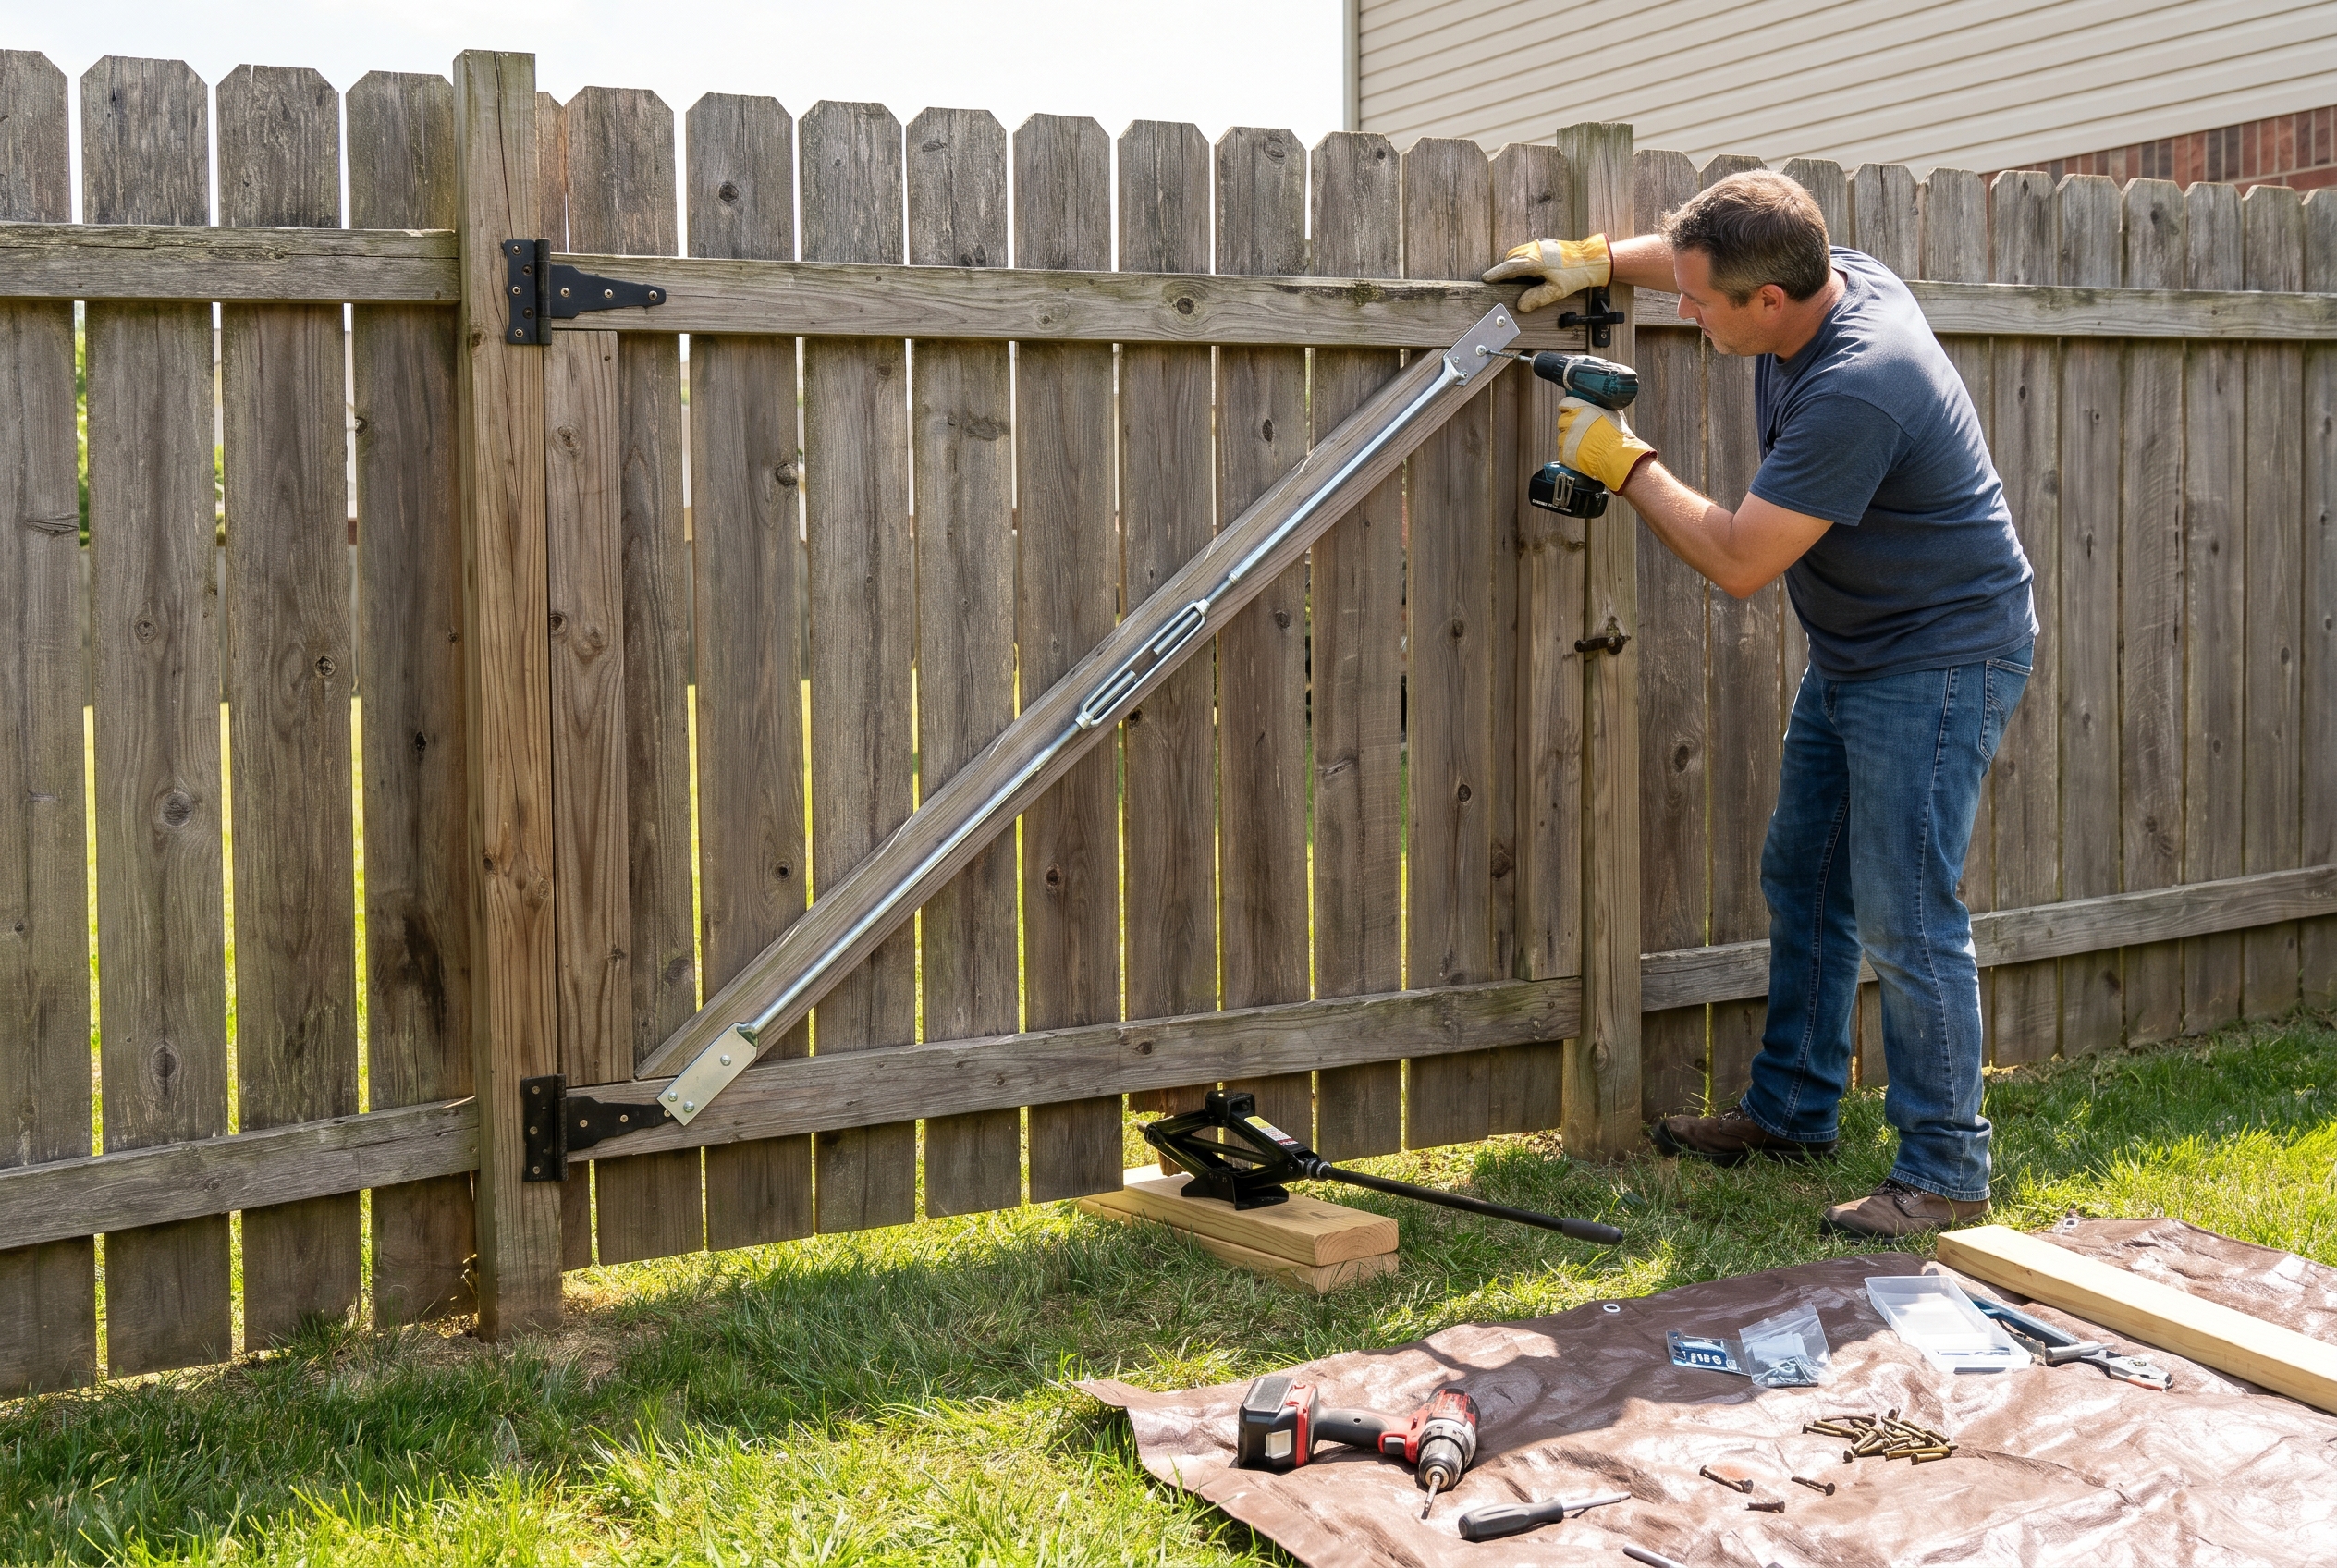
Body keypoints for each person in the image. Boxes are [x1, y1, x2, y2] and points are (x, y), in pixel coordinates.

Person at [1483, 171, 2036, 1239]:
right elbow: (1697, 254)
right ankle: (1789, 1111)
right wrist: (1596, 258)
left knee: (1905, 913)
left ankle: (1944, 1171)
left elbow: (1739, 560)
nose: (1679, 312)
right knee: (1804, 870)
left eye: (1696, 302)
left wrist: (1624, 461)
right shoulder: (1826, 273)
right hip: (1861, 646)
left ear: (1767, 303)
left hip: (1939, 658)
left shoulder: (1857, 384)